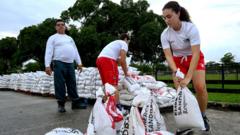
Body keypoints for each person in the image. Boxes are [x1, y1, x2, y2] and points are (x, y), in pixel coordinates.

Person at [160, 1, 210, 133]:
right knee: (180, 91)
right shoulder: (165, 34)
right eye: (164, 17)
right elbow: (168, 56)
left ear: (178, 13)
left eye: (169, 16)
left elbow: (195, 54)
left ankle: (202, 116)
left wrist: (188, 77)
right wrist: (176, 71)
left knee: (200, 87)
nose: (166, 20)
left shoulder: (191, 28)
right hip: (177, 61)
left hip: (194, 57)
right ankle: (185, 123)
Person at [44, 19, 87, 113]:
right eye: (58, 25)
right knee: (59, 84)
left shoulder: (69, 38)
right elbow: (48, 52)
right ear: (55, 27)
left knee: (72, 83)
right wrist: (47, 65)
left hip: (70, 63)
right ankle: (61, 104)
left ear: (65, 27)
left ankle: (75, 103)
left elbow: (75, 51)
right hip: (58, 63)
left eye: (62, 25)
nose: (60, 26)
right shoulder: (52, 38)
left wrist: (79, 63)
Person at [96, 33, 130, 105]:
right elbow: (123, 61)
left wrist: (117, 62)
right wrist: (126, 73)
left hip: (100, 59)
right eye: (129, 42)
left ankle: (106, 106)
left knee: (107, 86)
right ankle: (116, 108)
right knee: (113, 86)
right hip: (107, 60)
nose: (128, 44)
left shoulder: (115, 43)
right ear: (126, 39)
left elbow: (118, 60)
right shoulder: (124, 43)